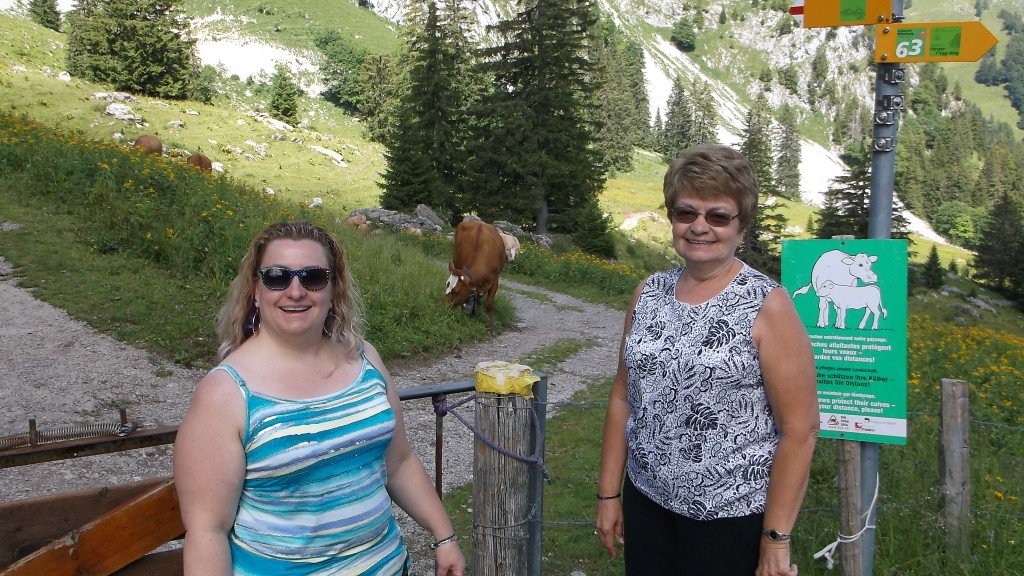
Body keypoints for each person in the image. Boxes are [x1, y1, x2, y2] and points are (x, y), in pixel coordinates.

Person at [174, 221, 465, 576]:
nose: (295, 291)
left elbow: (399, 462)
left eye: (313, 276)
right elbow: (207, 532)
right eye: (277, 276)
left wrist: (444, 535)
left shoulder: (365, 359)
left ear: (333, 288)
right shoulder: (225, 393)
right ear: (255, 289)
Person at [595, 144, 819, 575]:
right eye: (685, 213)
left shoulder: (767, 305)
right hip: (648, 502)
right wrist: (609, 494)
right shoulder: (648, 293)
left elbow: (801, 430)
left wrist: (775, 540)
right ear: (672, 218)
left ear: (741, 226)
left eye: (717, 216)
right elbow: (624, 396)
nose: (700, 227)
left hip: (729, 517)